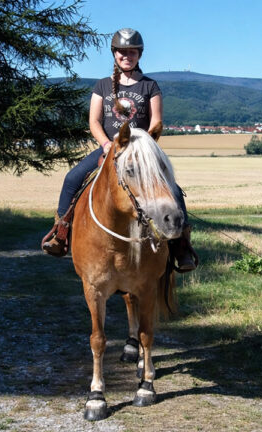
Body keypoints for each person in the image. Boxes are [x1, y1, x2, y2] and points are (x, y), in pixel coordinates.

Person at [42, 28, 198, 272]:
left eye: (132, 52)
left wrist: (143, 146)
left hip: (141, 152)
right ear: (114, 54)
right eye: (122, 52)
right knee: (72, 178)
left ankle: (181, 247)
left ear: (139, 55)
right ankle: (60, 235)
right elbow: (94, 121)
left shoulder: (150, 86)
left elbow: (156, 122)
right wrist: (106, 144)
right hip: (110, 146)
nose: (127, 56)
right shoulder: (102, 86)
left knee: (174, 191)